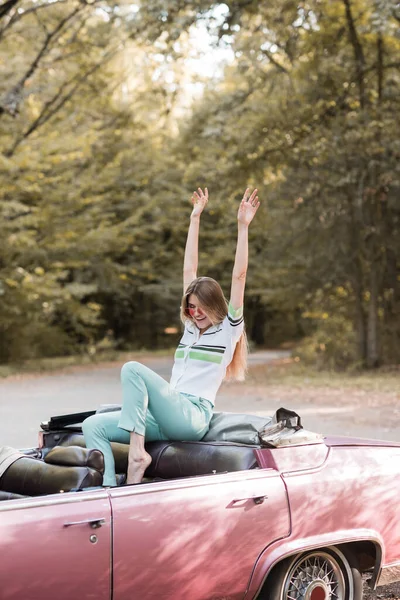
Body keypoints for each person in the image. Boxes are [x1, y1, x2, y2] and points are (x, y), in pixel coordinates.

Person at [82, 187, 260, 486]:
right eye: (190, 308)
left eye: (201, 307)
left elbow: (239, 276)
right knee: (93, 426)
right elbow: (189, 268)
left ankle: (138, 454)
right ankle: (108, 490)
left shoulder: (229, 329)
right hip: (163, 416)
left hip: (191, 416)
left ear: (215, 305)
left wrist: (243, 227)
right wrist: (195, 218)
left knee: (132, 369)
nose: (195, 313)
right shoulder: (190, 328)